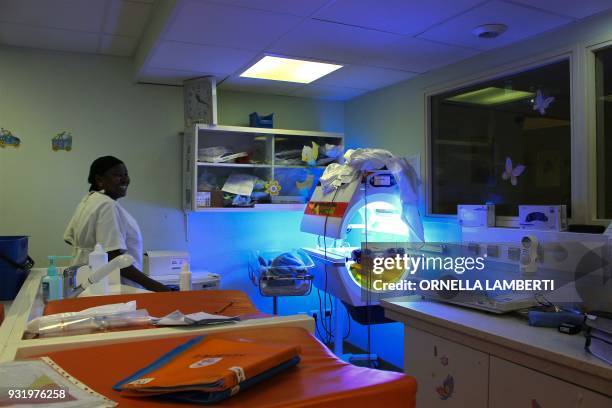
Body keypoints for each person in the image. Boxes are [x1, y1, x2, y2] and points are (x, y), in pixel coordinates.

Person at [64, 156, 169, 291]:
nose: (125, 179)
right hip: (115, 285)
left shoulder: (88, 200)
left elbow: (70, 238)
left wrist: (90, 251)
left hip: (86, 280)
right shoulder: (107, 205)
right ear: (99, 180)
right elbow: (115, 260)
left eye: (125, 174)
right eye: (117, 175)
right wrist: (158, 288)